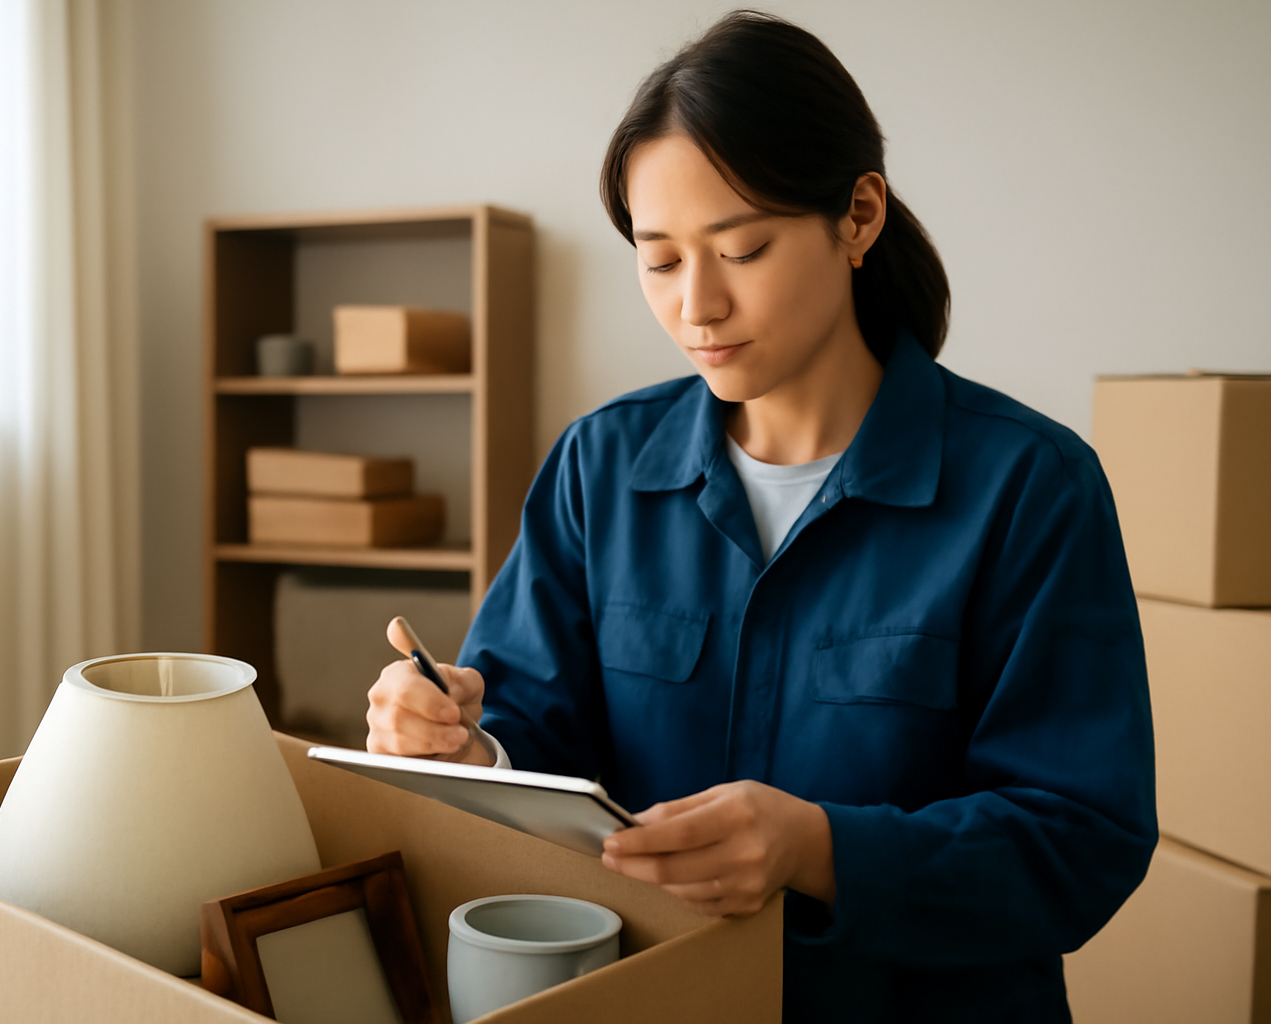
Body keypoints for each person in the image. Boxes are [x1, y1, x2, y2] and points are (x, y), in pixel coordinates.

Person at [365, 10, 1155, 1021]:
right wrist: (461, 744)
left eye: (741, 249)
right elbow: (526, 739)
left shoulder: (1031, 488)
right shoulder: (598, 469)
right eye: (659, 260)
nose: (698, 305)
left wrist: (822, 850)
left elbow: (1080, 840)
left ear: (859, 215)